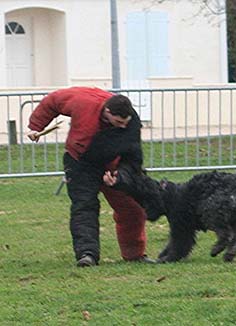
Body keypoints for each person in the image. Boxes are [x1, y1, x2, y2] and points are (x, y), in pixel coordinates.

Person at [27, 86, 155, 267]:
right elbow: (53, 101)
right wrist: (36, 126)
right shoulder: (82, 101)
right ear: (107, 112)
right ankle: (87, 255)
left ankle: (135, 255)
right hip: (80, 161)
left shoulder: (131, 122)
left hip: (113, 165)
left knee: (132, 208)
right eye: (118, 123)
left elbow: (133, 159)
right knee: (85, 206)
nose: (123, 127)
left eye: (125, 122)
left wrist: (119, 178)